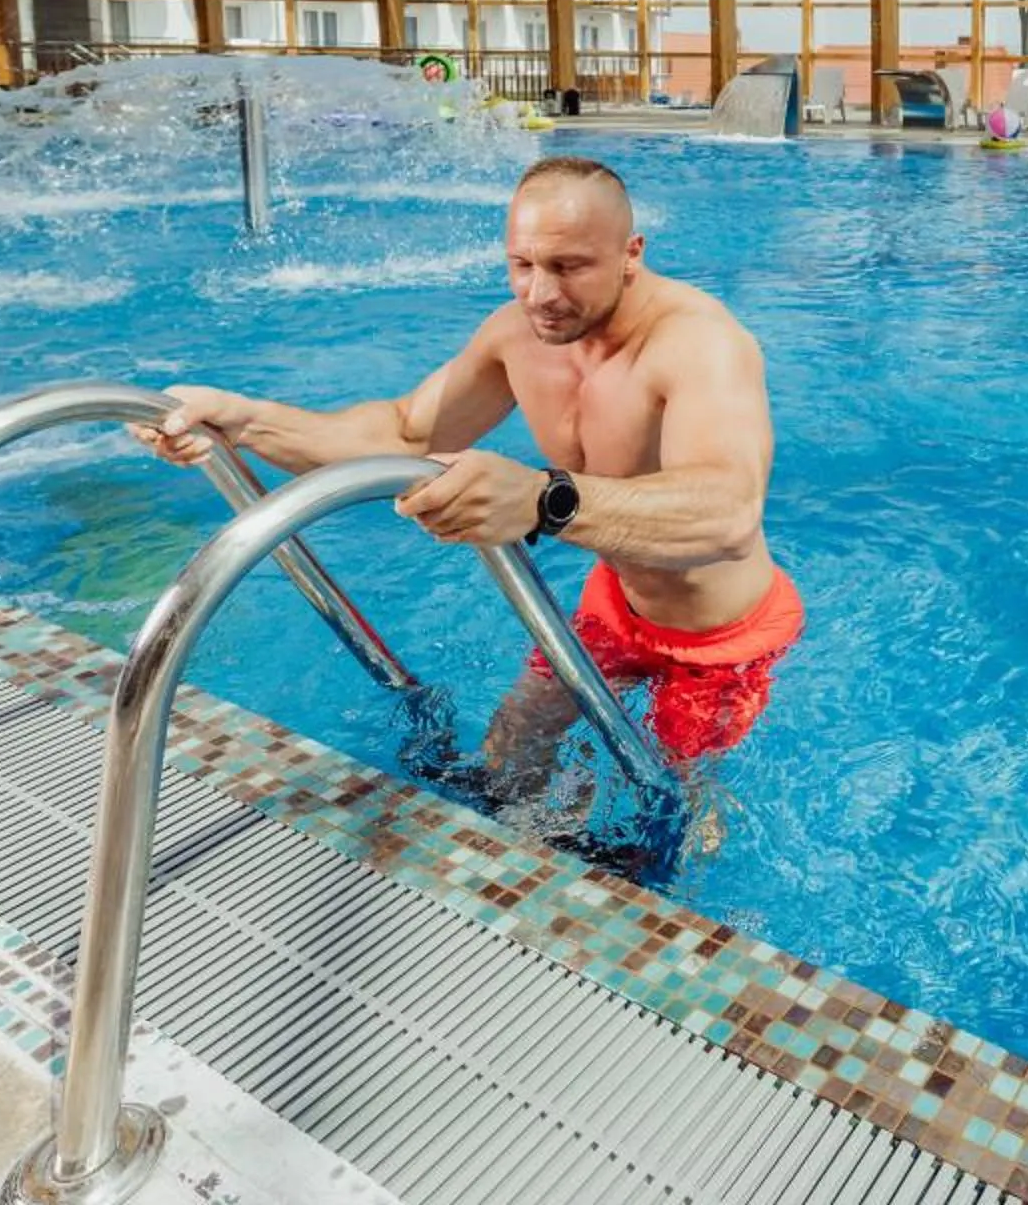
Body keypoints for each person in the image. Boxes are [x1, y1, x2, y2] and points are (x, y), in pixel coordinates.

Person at [133, 155, 800, 806]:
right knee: (512, 745)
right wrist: (249, 423)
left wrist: (542, 499)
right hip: (614, 606)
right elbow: (406, 433)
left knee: (679, 803)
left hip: (721, 636)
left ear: (632, 252)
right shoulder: (518, 335)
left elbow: (728, 510)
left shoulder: (699, 342)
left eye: (569, 267)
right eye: (523, 264)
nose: (540, 293)